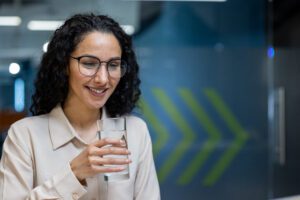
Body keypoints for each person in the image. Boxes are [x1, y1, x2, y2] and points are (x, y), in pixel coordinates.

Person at [0, 13, 160, 200]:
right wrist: (73, 174)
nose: (103, 79)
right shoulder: (25, 135)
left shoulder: (135, 132)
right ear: (64, 65)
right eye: (89, 63)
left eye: (113, 65)